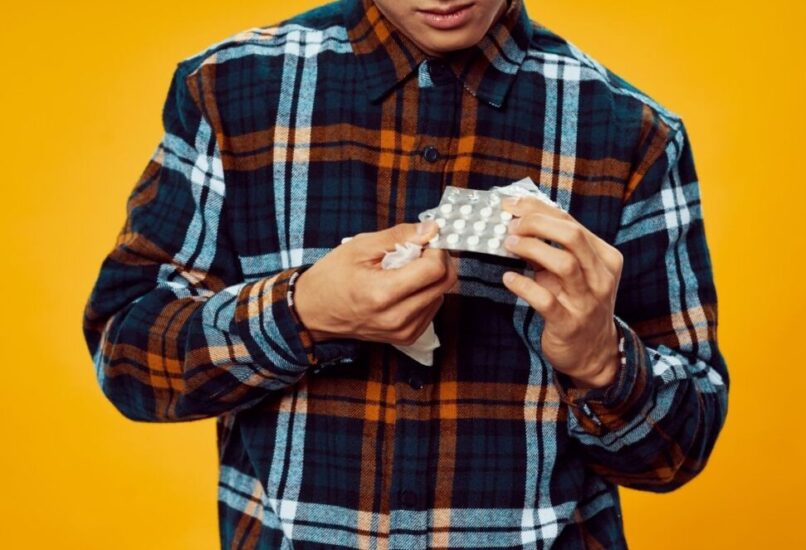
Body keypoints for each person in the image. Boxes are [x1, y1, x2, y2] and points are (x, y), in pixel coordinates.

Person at [82, 0, 730, 547]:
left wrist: (602, 363)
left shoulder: (635, 134)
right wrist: (302, 313)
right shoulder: (226, 89)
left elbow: (679, 452)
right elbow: (126, 357)